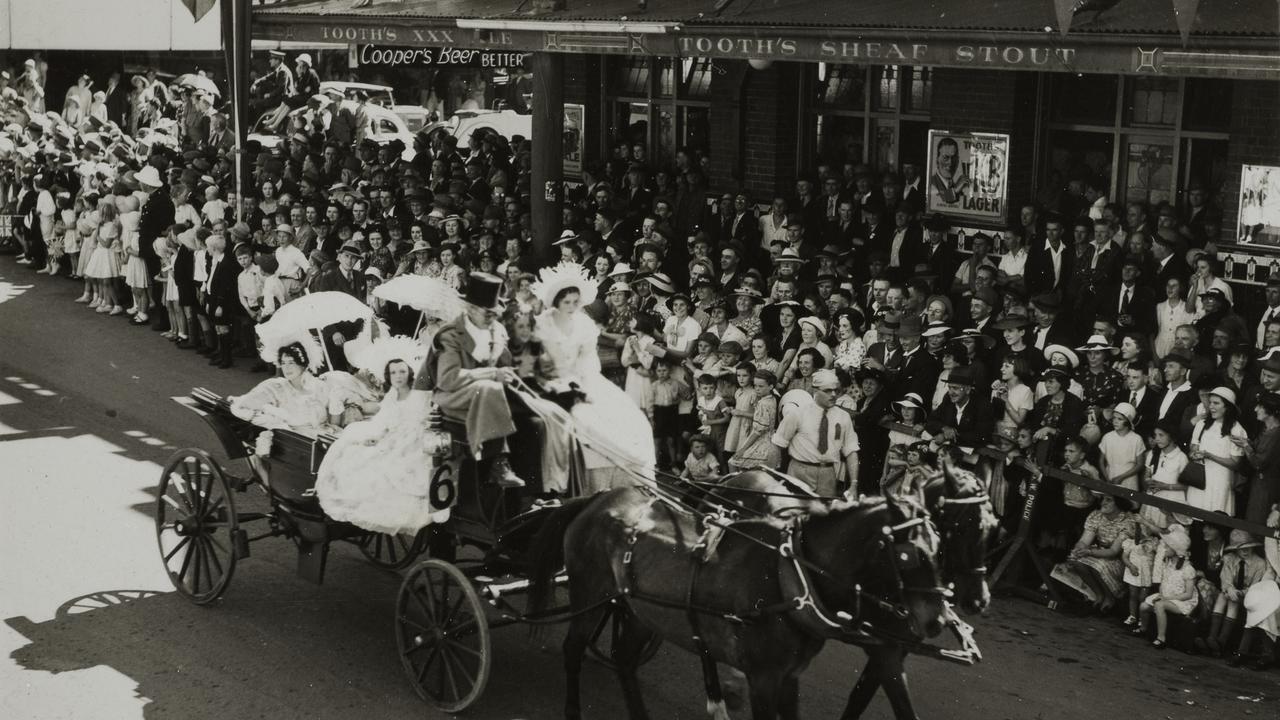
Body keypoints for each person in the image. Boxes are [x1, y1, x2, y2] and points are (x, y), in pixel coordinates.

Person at [531, 262, 656, 488]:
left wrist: (583, 382)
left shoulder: (584, 323)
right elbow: (540, 360)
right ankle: (585, 484)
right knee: (584, 421)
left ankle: (631, 481)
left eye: (574, 302)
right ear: (556, 302)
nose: (571, 306)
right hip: (551, 381)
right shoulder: (544, 324)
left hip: (584, 379)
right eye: (565, 302)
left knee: (631, 419)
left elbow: (589, 360)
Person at [412, 272, 526, 488]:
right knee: (488, 387)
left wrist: (511, 375)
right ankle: (498, 463)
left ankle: (535, 492)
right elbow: (448, 379)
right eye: (487, 314)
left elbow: (506, 365)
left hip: (487, 397)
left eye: (494, 314)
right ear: (471, 309)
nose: (492, 318)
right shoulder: (450, 335)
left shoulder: (497, 331)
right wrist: (492, 374)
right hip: (452, 397)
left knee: (539, 410)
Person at [315, 358, 448, 533]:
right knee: (355, 449)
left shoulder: (420, 394)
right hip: (393, 436)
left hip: (415, 438)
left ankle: (436, 504)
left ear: (409, 373)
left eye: (402, 371)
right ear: (388, 376)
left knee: (400, 465)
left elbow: (428, 417)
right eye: (393, 372)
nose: (398, 376)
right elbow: (383, 420)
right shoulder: (392, 394)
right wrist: (376, 436)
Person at [231, 341, 332, 436]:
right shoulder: (276, 387)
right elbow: (241, 406)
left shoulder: (318, 386)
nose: (286, 368)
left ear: (303, 365)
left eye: (291, 362)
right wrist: (276, 423)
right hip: (299, 442)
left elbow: (333, 413)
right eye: (283, 363)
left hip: (327, 435)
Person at [1135, 524, 1198, 649]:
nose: (1165, 549)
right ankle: (1143, 628)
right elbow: (1164, 582)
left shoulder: (1188, 569)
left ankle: (1161, 637)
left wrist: (1166, 598)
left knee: (1160, 605)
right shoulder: (1167, 563)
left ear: (1176, 550)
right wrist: (1161, 594)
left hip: (1182, 601)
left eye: (1168, 547)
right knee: (1144, 606)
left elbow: (1188, 594)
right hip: (1167, 596)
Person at [1187, 386, 1247, 516]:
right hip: (1200, 480)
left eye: (1216, 403)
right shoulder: (1201, 424)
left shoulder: (1236, 429)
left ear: (1227, 407)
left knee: (1215, 518)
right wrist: (1194, 454)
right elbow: (1193, 448)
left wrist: (1210, 456)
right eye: (1210, 403)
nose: (1211, 407)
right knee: (1195, 517)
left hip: (1220, 482)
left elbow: (1235, 463)